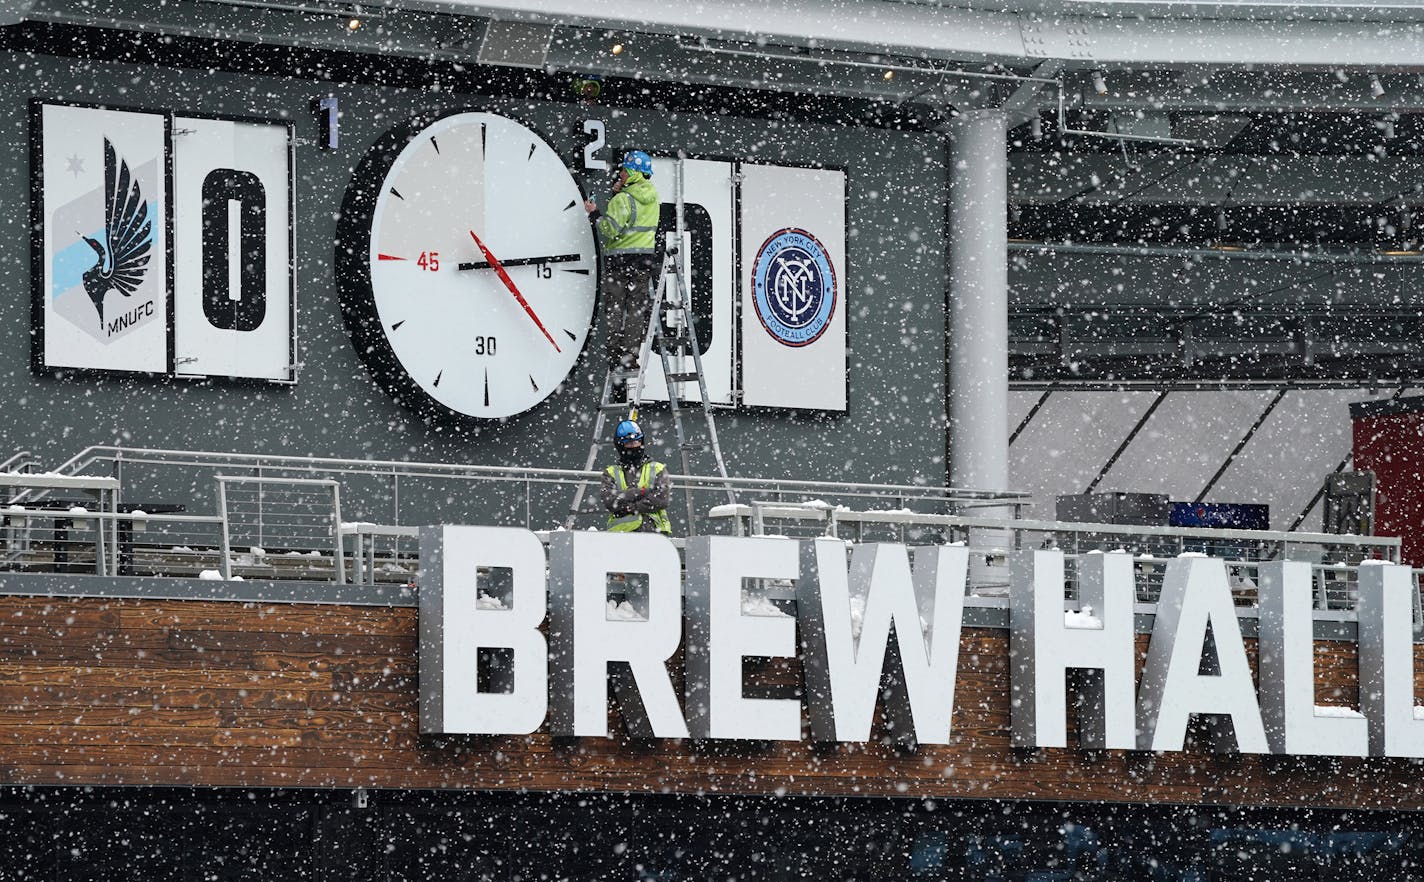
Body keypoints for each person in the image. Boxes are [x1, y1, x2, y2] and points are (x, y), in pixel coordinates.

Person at [585, 150, 660, 369]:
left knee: (615, 308)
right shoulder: (653, 196)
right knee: (636, 310)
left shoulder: (623, 199)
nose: (621, 175)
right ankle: (630, 356)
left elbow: (610, 229)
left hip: (620, 261)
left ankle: (614, 355)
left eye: (625, 171)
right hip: (644, 261)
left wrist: (594, 213)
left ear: (634, 173)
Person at [601, 419, 672, 535]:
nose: (634, 446)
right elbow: (610, 501)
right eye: (629, 443)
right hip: (620, 536)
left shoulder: (657, 468)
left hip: (654, 534)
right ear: (620, 446)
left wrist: (631, 507)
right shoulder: (611, 472)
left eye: (637, 442)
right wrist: (642, 492)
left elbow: (661, 500)